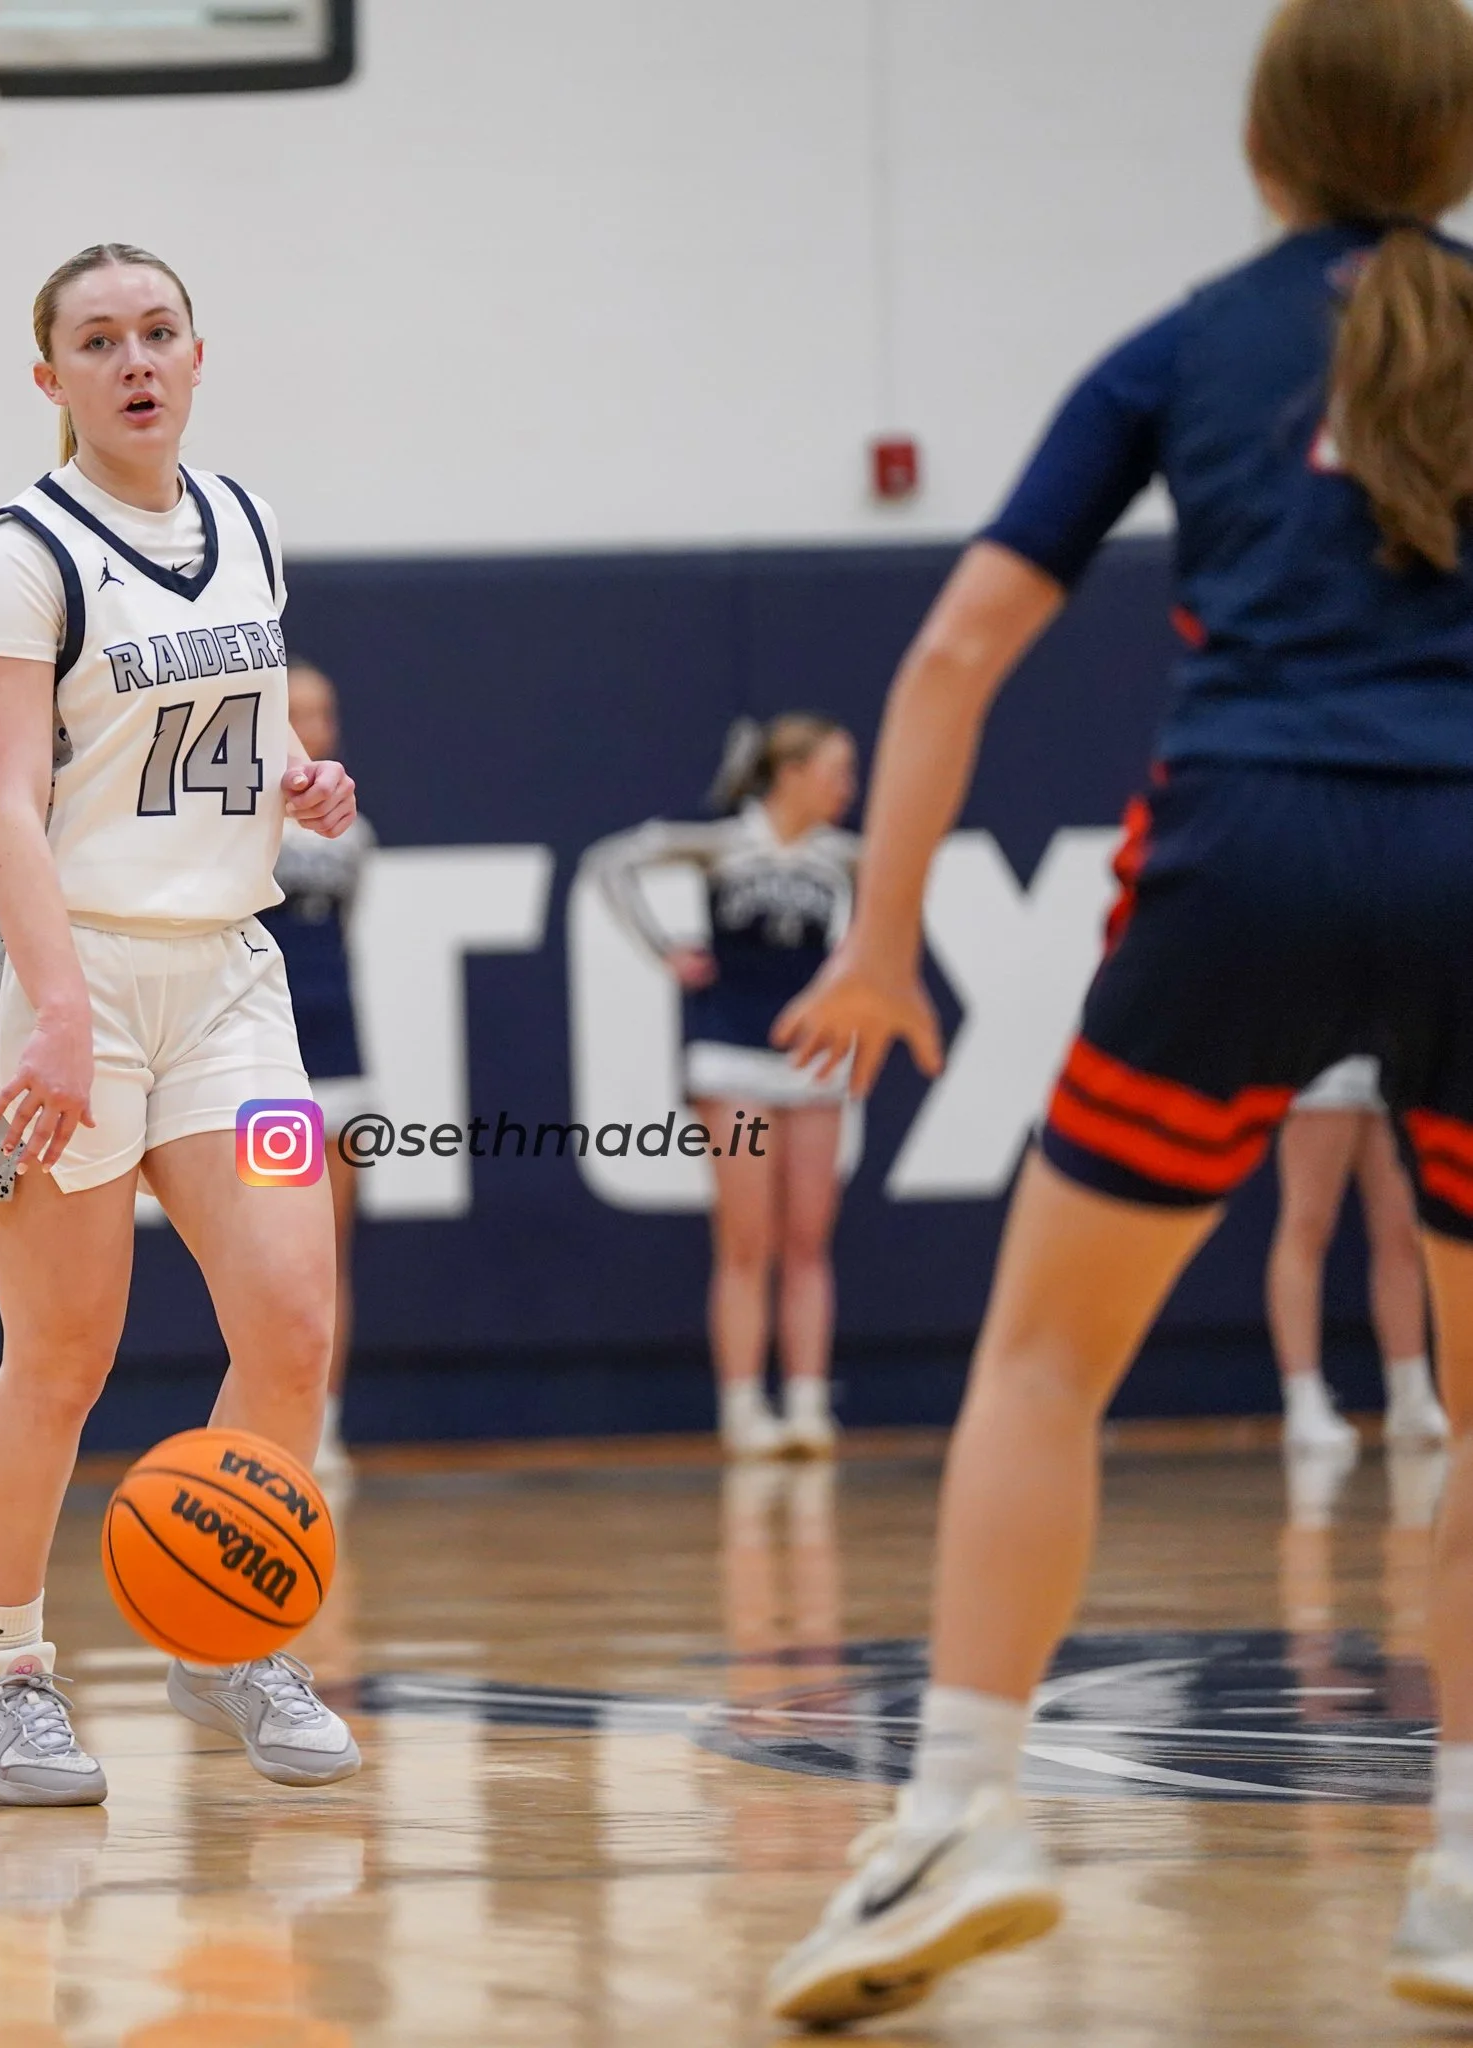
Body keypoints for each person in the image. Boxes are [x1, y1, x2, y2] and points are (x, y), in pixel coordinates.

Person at [762, 0, 1473, 2021]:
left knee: (1041, 1363)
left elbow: (949, 655)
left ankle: (954, 1815)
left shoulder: (1180, 342)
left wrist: (882, 942)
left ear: (1261, 145)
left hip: (1238, 856)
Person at [0, 243, 362, 1807]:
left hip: (228, 976)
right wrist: (52, 1015)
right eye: (98, 340)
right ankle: (0, 1670)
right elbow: (5, 801)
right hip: (63, 979)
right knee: (64, 1354)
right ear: (51, 379)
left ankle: (230, 1635)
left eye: (158, 331)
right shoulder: (22, 549)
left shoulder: (242, 519)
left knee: (294, 1324)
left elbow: (223, 741)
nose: (134, 359)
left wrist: (295, 782)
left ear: (196, 351)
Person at [586, 715, 860, 1457]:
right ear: (791, 772)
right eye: (836, 770)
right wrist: (662, 949)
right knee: (747, 1241)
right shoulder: (719, 842)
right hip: (730, 1055)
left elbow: (898, 897)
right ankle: (742, 1408)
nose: (847, 787)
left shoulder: (841, 856)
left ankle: (806, 1405)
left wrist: (854, 976)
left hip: (810, 1058)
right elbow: (612, 863)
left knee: (808, 1239)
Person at [269, 660, 377, 1481]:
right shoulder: (233, 811)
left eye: (326, 709)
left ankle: (325, 1424)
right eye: (299, 709)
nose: (317, 723)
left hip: (337, 1053)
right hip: (262, 1059)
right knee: (270, 1254)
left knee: (327, 1255)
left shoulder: (354, 828)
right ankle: (274, 1426)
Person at [1269, 1055, 1450, 1450]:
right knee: (1309, 1223)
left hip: (1393, 1059)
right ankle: (1303, 1397)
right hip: (1326, 1057)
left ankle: (1411, 1394)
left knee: (1403, 1232)